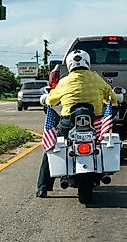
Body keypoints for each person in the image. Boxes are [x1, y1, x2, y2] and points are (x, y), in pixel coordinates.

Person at [35, 49, 118, 198]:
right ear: (87, 62)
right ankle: (103, 170)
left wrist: (46, 99)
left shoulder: (65, 81)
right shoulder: (96, 78)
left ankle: (43, 187)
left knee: (51, 147)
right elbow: (112, 98)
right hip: (95, 122)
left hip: (68, 123)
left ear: (69, 64)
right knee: (105, 143)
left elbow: (51, 100)